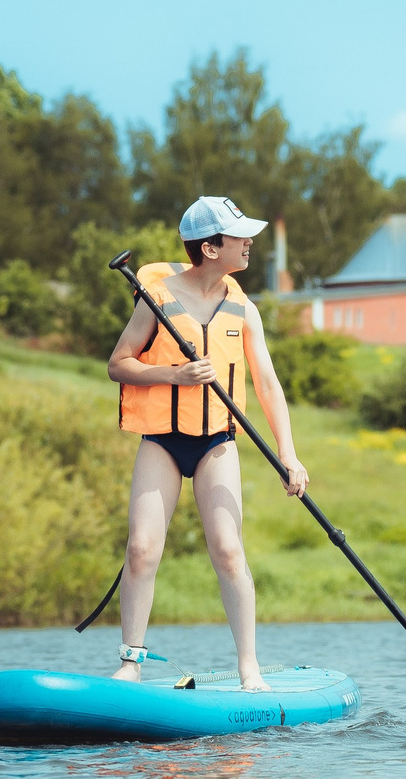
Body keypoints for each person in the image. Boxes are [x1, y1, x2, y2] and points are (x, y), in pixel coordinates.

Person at [106, 195, 309, 690]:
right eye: (240, 238)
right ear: (211, 247)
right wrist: (172, 374)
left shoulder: (243, 307)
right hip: (162, 441)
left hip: (217, 441)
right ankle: (131, 663)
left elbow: (267, 383)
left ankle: (249, 669)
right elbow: (119, 364)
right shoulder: (157, 299)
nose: (250, 244)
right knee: (141, 549)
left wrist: (288, 454)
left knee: (227, 549)